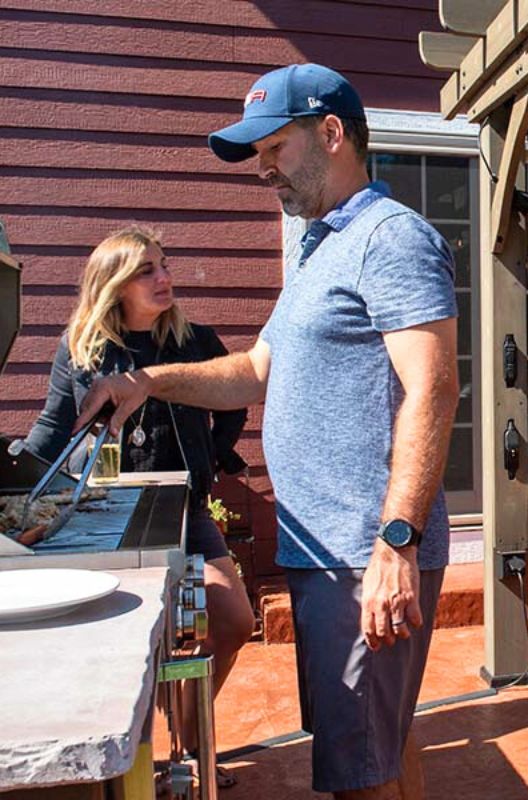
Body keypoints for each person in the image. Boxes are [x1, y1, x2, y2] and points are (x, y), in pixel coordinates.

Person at [75, 63, 458, 800]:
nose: (263, 170)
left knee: (359, 773)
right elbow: (256, 370)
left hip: (363, 550)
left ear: (333, 133)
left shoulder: (390, 239)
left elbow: (434, 388)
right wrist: (148, 381)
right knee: (380, 744)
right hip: (325, 550)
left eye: (273, 149)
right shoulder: (320, 250)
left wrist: (397, 540)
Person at [25, 225, 256, 788]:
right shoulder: (82, 351)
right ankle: (144, 753)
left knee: (234, 620)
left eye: (163, 264)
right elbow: (54, 428)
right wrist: (18, 478)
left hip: (186, 508)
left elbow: (234, 405)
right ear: (113, 284)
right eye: (146, 269)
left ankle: (189, 730)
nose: (163, 277)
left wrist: (215, 453)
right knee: (133, 641)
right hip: (107, 517)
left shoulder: (196, 341)